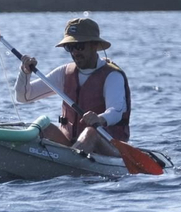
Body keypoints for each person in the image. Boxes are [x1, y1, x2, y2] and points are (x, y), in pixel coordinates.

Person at [15, 17, 131, 157]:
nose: (75, 52)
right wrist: (25, 73)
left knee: (91, 133)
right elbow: (23, 97)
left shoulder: (112, 76)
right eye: (70, 47)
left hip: (108, 148)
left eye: (80, 46)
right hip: (72, 146)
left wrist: (100, 119)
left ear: (94, 45)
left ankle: (66, 162)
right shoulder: (64, 73)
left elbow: (116, 112)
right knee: (43, 127)